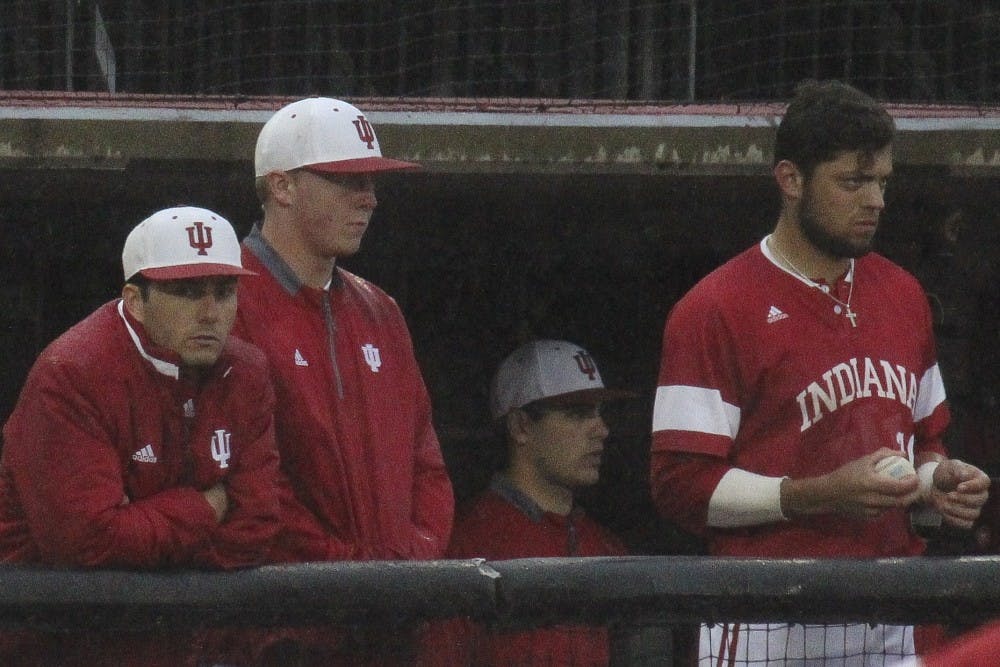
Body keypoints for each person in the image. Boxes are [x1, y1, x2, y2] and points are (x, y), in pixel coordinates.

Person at [649, 79, 990, 666]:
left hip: (890, 608)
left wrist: (940, 485)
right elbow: (679, 484)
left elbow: (925, 442)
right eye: (853, 181)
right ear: (791, 180)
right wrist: (817, 496)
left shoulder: (904, 295)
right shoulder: (714, 307)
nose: (876, 200)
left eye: (882, 181)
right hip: (765, 614)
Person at [0, 205, 281, 664]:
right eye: (188, 291)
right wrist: (209, 504)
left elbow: (259, 525)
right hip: (62, 645)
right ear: (135, 300)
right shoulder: (72, 373)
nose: (211, 312)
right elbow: (88, 543)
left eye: (224, 291)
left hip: (180, 646)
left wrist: (140, 524)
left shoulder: (246, 372)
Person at [230, 97, 454, 662]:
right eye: (346, 181)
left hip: (389, 622)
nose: (369, 199)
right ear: (282, 186)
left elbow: (425, 461)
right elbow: (239, 474)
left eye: (372, 183)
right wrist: (347, 574)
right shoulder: (221, 302)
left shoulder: (380, 309)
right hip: (280, 627)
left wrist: (411, 564)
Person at [436, 339, 632, 665]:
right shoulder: (466, 544)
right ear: (521, 426)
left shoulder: (609, 548)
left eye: (599, 413)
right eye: (577, 413)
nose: (601, 429)